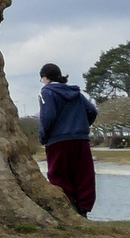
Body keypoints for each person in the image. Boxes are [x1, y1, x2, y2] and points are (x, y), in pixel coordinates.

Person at [38, 62, 98, 216]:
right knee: (83, 175)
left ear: (45, 78)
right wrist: (82, 126)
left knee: (59, 174)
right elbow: (91, 110)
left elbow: (48, 117)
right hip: (80, 139)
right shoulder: (76, 92)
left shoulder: (47, 92)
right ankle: (83, 208)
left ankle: (68, 207)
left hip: (58, 141)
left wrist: (44, 136)